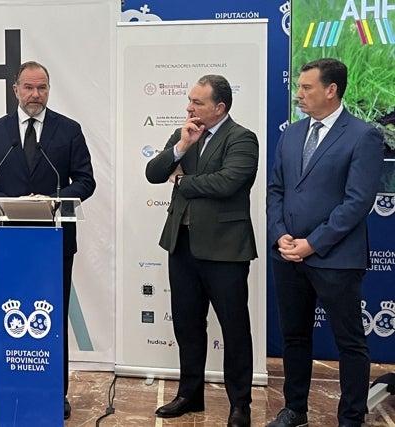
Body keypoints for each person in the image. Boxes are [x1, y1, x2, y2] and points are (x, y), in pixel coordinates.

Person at [0, 61, 96, 420]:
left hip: (54, 241)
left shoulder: (68, 130)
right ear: (15, 89)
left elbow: (85, 180)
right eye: (28, 87)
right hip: (11, 242)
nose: (35, 95)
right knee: (12, 315)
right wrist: (5, 201)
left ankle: (55, 393)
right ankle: (14, 387)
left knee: (51, 319)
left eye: (41, 87)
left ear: (48, 89)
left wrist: (57, 199)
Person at [266, 58, 383, 427]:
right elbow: (276, 190)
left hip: (335, 259)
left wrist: (312, 244)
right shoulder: (292, 133)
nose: (298, 94)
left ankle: (351, 417)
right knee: (295, 337)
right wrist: (280, 233)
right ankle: (294, 410)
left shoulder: (364, 135)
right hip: (288, 256)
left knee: (350, 343)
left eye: (306, 88)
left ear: (331, 90)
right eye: (299, 87)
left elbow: (357, 202)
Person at [145, 75, 258, 427]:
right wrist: (180, 148)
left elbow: (227, 183)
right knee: (187, 325)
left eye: (198, 102)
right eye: (189, 100)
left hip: (225, 250)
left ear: (219, 107)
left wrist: (181, 180)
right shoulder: (186, 133)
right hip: (182, 245)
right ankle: (190, 394)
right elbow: (153, 172)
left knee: (234, 328)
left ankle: (240, 403)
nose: (189, 107)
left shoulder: (242, 138)